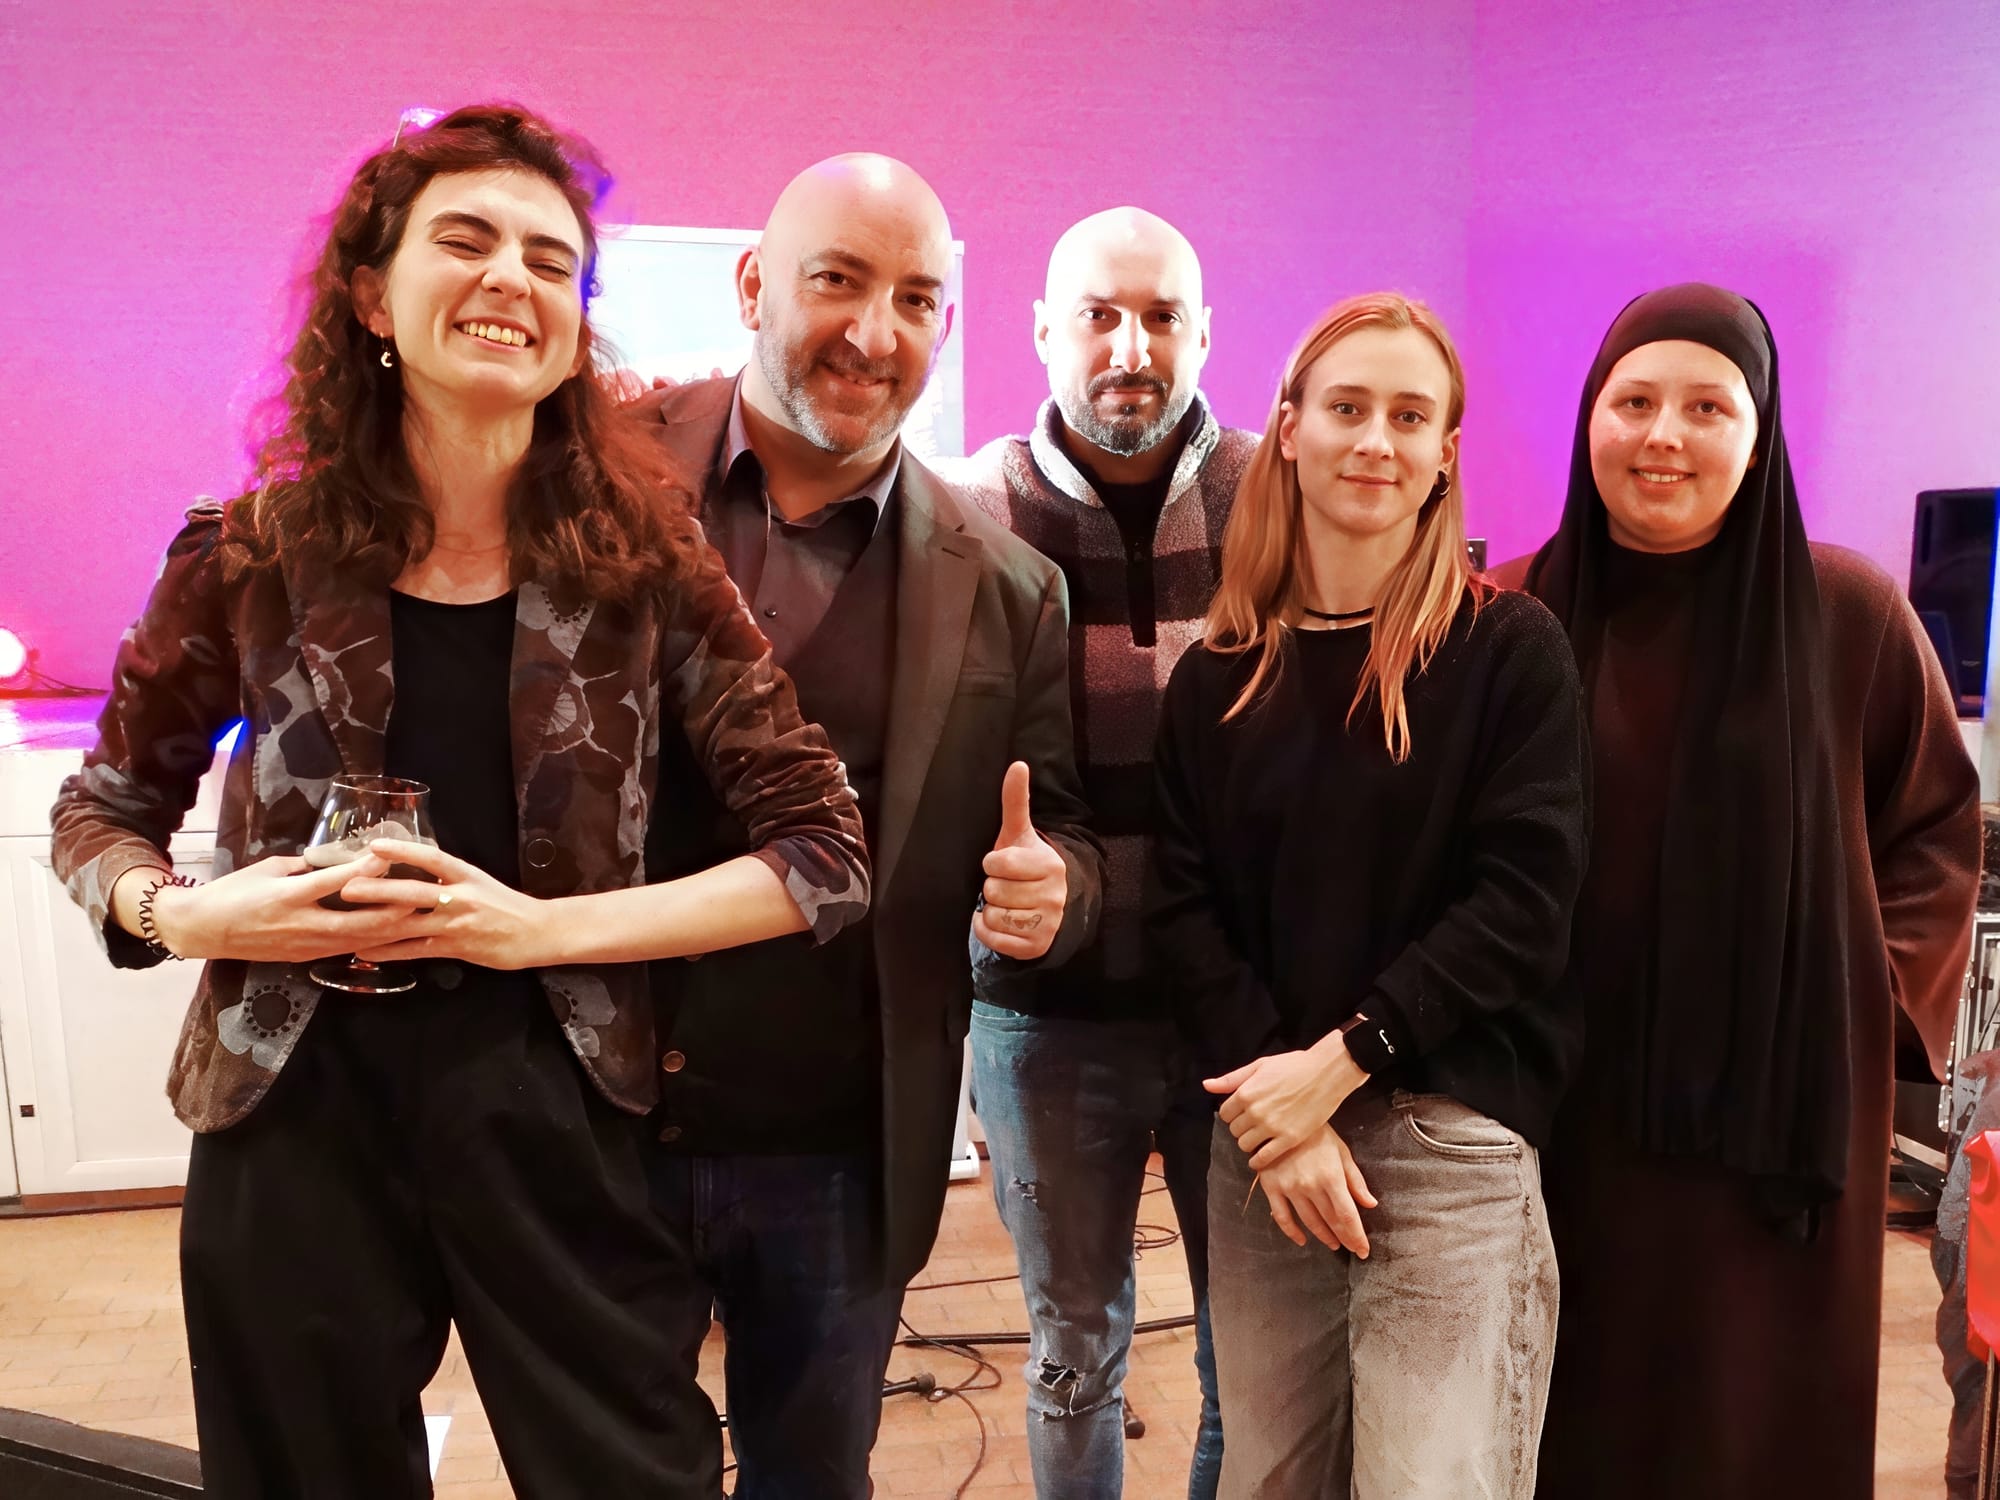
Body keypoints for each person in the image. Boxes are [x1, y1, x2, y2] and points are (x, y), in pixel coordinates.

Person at [48, 105, 870, 1499]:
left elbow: (824, 853)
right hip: (293, 1105)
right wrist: (188, 915)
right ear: (373, 295)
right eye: (467, 241)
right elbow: (102, 811)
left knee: (633, 1474)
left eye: (550, 261)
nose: (511, 279)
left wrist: (533, 932)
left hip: (556, 1100)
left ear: (574, 322)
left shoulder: (649, 566)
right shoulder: (252, 552)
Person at [626, 154, 1104, 1496]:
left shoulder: (1010, 588)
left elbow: (1060, 832)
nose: (873, 331)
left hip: (840, 1152)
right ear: (752, 284)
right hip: (595, 1121)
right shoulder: (593, 472)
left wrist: (1056, 890)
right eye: (836, 280)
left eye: (915, 297)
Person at [1498, 282, 1982, 1500]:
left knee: (1749, 1416)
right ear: (1586, 418)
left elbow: (1932, 827)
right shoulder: (1505, 614)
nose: (1662, 434)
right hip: (1561, 1104)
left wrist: (1861, 1003)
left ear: (1758, 436)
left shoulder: (1848, 612)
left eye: (1706, 407)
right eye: (1633, 401)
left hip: (1773, 1116)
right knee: (1569, 1405)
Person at [1149, 291, 1589, 1497]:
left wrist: (1339, 1063)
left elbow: (1521, 905)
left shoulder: (1508, 651)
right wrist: (1284, 1111)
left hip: (1446, 1137)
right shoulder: (1215, 680)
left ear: (1443, 454)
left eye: (1407, 416)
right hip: (1265, 1142)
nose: (1374, 441)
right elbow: (1180, 916)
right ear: (1288, 428)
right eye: (1346, 408)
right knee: (1266, 1480)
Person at [941, 205, 1251, 1498]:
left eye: (1161, 316)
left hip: (1242, 1017)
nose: (1131, 346)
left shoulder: (1276, 499)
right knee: (1073, 1351)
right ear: (1040, 331)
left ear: (1203, 334)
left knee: (1251, 1359)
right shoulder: (965, 513)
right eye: (1099, 315)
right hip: (1045, 1018)